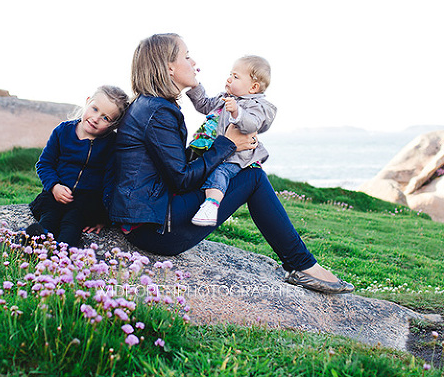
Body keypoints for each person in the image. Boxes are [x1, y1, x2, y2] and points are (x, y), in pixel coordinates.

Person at [108, 34, 354, 294]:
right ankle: (302, 265)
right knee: (254, 177)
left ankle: (301, 263)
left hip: (148, 218)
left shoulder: (150, 105)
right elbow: (180, 178)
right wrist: (228, 144)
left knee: (250, 173)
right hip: (156, 229)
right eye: (187, 56)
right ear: (169, 67)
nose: (195, 63)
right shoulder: (158, 111)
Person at [23, 85, 129, 248]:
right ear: (87, 102)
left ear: (114, 125)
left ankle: (62, 253)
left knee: (72, 224)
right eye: (94, 109)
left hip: (84, 202)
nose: (96, 118)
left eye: (105, 118)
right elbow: (44, 164)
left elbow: (110, 181)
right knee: (50, 217)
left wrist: (104, 218)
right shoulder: (63, 131)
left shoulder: (110, 144)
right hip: (56, 194)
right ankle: (36, 241)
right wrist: (54, 186)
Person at [186, 55, 277, 227]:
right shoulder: (224, 97)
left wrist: (237, 112)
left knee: (220, 173)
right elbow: (204, 105)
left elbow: (252, 124)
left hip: (237, 157)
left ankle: (211, 206)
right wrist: (194, 86)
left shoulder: (258, 105)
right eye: (230, 74)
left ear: (253, 87)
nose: (229, 79)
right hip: (219, 151)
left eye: (236, 76)